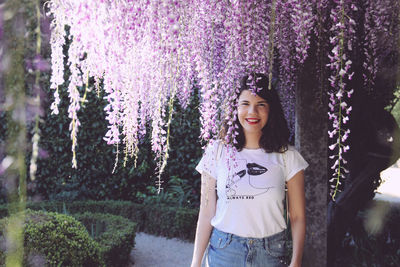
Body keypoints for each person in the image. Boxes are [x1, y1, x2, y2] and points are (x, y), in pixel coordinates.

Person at [190, 73, 308, 267]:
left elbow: (297, 216)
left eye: (261, 104)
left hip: (270, 253)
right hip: (224, 251)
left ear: (271, 111)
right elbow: (206, 211)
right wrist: (196, 262)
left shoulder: (288, 156)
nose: (252, 112)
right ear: (235, 109)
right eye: (245, 104)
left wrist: (296, 262)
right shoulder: (217, 151)